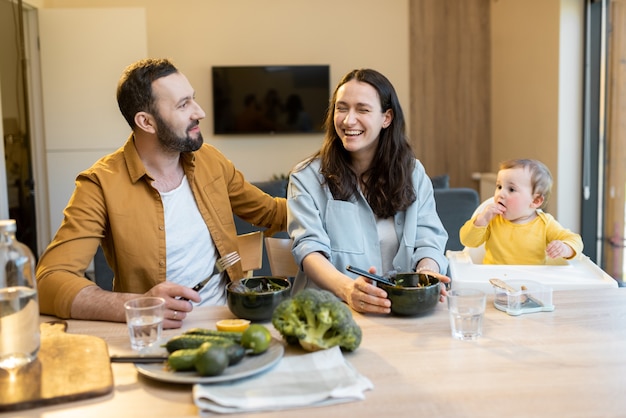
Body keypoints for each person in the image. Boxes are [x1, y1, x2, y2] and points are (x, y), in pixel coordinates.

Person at [35, 58, 286, 329]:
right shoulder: (99, 184)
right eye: (183, 105)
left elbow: (270, 212)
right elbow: (49, 280)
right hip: (154, 333)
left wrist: (331, 202)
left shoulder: (209, 160)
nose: (199, 112)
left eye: (193, 99)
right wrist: (139, 306)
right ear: (146, 122)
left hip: (228, 321)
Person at [287, 68, 450, 315]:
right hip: (330, 313)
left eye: (362, 109)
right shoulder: (306, 177)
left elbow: (429, 239)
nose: (348, 120)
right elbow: (309, 249)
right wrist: (348, 290)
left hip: (401, 314)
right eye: (341, 108)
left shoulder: (413, 173)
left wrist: (427, 273)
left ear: (386, 118)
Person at [459, 158, 583, 264]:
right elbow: (467, 241)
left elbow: (575, 240)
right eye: (499, 186)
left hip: (530, 285)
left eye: (511, 189)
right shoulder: (493, 220)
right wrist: (482, 220)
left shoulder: (545, 224)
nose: (501, 193)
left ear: (535, 201)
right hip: (495, 282)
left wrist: (566, 248)